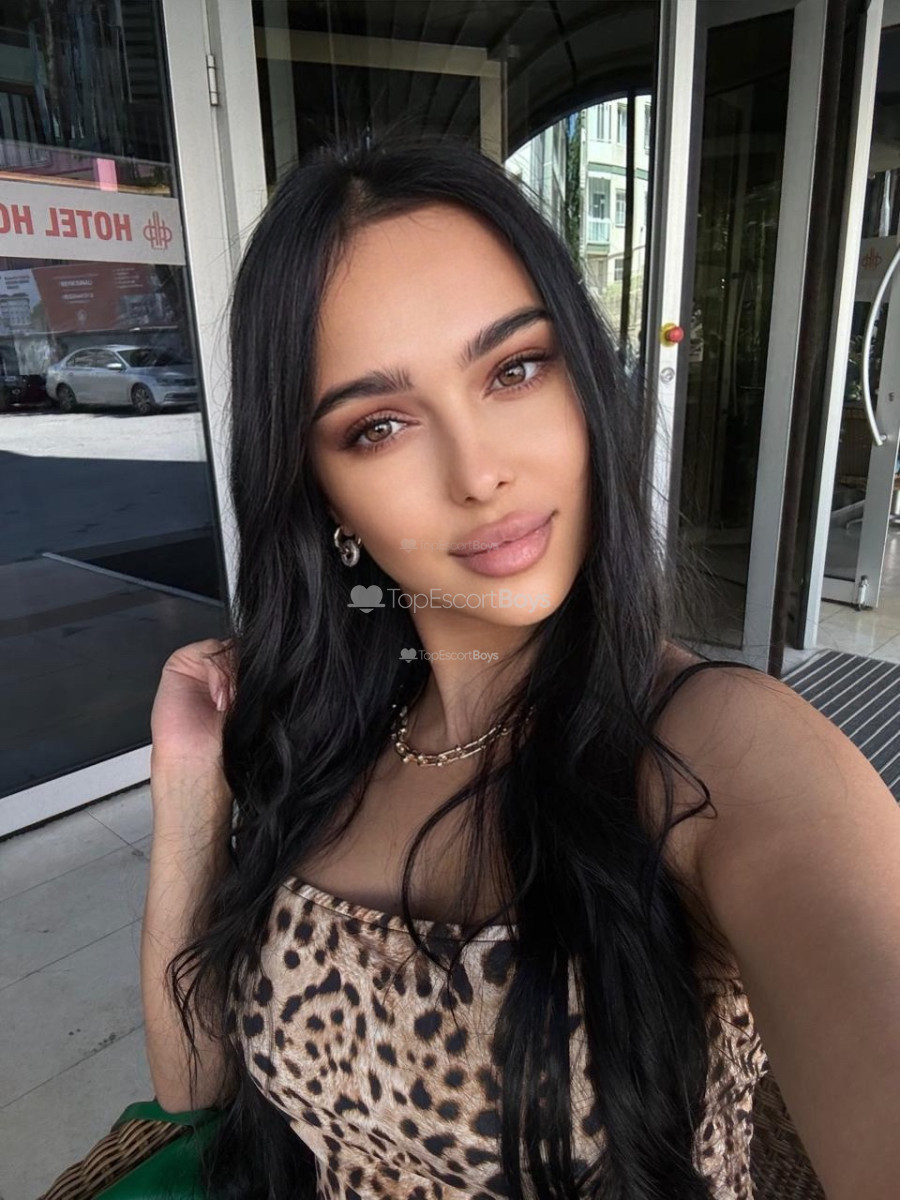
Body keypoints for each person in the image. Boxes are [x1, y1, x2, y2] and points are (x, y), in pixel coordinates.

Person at [142, 130, 900, 1200]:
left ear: (584, 382)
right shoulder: (323, 736)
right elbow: (192, 1087)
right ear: (320, 493)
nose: (480, 472)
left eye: (515, 368)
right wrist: (190, 787)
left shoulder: (718, 751)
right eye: (381, 425)